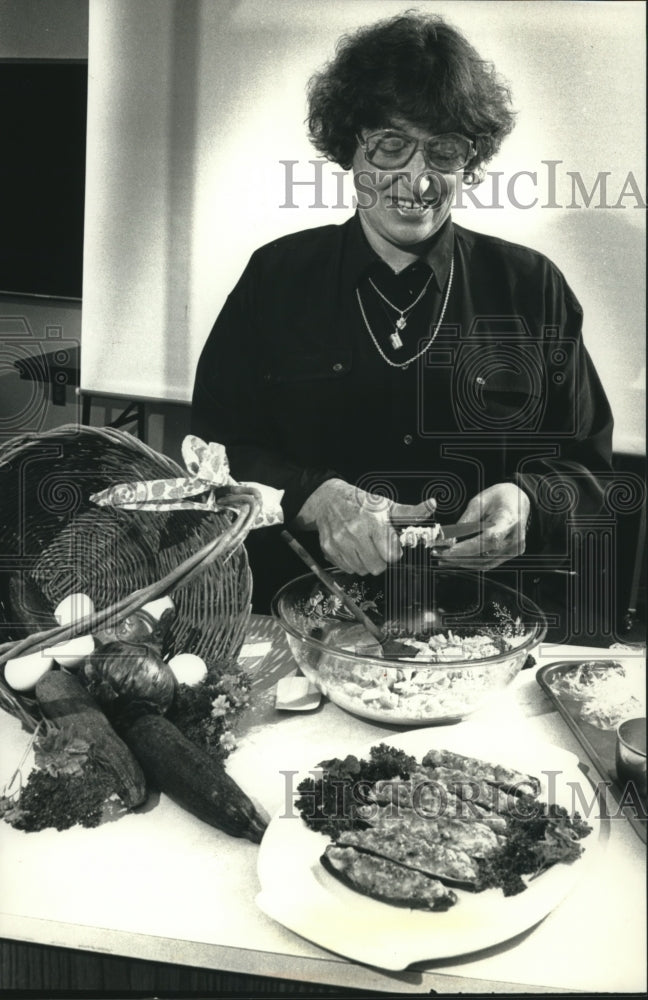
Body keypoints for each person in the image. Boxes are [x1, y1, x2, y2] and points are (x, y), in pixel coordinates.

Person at [191, 12, 613, 630]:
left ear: (468, 162)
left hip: (483, 630)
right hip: (304, 624)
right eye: (391, 145)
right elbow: (213, 456)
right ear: (349, 147)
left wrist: (529, 500)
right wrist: (310, 495)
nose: (417, 179)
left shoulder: (531, 287)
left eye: (443, 152)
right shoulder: (275, 278)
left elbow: (589, 468)